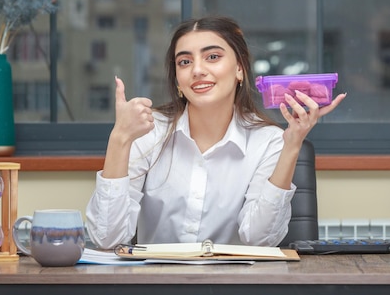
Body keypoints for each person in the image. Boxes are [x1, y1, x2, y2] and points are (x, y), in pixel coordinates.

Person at [85, 15, 346, 249]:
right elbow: (107, 238)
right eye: (185, 61)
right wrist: (119, 138)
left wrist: (292, 144)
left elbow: (259, 239)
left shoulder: (268, 141)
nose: (197, 70)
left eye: (213, 57)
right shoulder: (148, 133)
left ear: (239, 69)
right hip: (158, 283)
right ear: (177, 80)